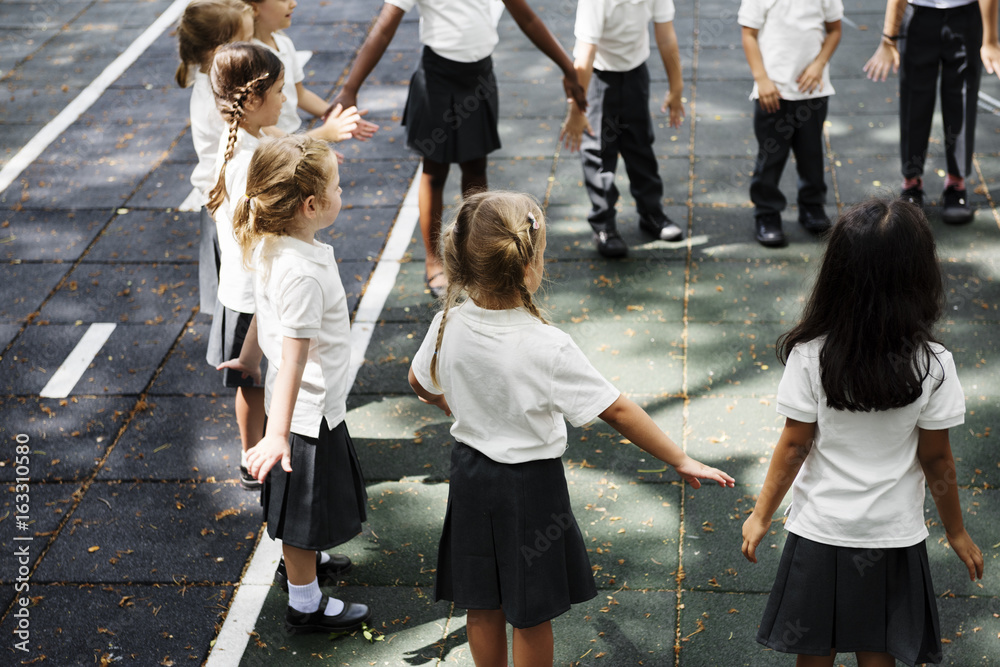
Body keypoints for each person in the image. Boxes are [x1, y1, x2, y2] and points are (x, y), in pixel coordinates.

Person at [408, 191, 735, 664]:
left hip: (470, 477)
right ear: (527, 267)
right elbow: (617, 410)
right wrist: (679, 458)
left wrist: (455, 404)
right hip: (529, 488)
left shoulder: (447, 323)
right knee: (530, 611)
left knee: (481, 603)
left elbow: (418, 381)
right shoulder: (547, 345)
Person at [741, 199, 984, 666]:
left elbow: (794, 445)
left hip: (820, 529)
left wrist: (761, 514)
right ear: (919, 276)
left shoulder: (811, 356)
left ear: (837, 274)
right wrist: (955, 530)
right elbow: (937, 459)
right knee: (880, 650)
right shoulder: (934, 364)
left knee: (814, 650)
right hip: (892, 535)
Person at [326, 0, 587, 299]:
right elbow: (384, 28)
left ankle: (477, 252)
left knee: (476, 168)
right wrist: (350, 88)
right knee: (434, 171)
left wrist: (568, 67)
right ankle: (433, 259)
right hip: (437, 78)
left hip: (478, 78)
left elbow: (527, 19)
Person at [218, 134, 369, 633]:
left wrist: (245, 358)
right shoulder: (301, 272)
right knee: (303, 516)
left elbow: (263, 313)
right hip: (306, 416)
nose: (343, 193)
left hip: (307, 410)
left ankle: (307, 562)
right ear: (310, 204)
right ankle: (305, 602)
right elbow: (295, 356)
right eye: (338, 186)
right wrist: (278, 434)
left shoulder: (275, 246)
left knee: (309, 508)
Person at [203, 42, 285, 491]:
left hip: (239, 289)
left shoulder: (241, 142)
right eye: (279, 91)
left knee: (252, 384)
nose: (285, 100)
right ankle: (253, 454)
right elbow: (262, 234)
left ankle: (251, 451)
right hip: (253, 295)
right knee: (253, 384)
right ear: (253, 100)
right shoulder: (251, 159)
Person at [560, 0, 686, 258]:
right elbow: (585, 55)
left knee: (640, 145)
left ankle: (651, 213)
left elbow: (665, 36)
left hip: (635, 73)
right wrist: (576, 111)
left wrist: (676, 87)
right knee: (599, 152)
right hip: (598, 79)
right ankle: (604, 224)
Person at [863, 0, 1000, 225]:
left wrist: (991, 39)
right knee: (914, 99)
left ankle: (956, 183)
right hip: (918, 15)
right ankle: (911, 182)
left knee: (962, 96)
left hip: (965, 14)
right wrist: (889, 39)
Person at [739, 0, 843, 247]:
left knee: (811, 153)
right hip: (773, 93)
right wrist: (762, 79)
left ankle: (812, 206)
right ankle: (766, 213)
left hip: (812, 92)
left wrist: (818, 65)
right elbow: (748, 34)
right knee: (771, 156)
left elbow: (834, 30)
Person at [175, 0, 254, 316]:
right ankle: (234, 360)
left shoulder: (218, 85)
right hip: (225, 202)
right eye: (246, 41)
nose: (253, 48)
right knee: (236, 298)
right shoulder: (218, 99)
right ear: (221, 49)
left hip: (223, 197)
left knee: (237, 292)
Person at [242, 0, 377, 141]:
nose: (293, 3)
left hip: (291, 139)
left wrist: (335, 116)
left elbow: (300, 94)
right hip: (271, 146)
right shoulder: (249, 57)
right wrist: (319, 137)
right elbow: (259, 127)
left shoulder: (282, 42)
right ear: (254, 7)